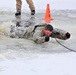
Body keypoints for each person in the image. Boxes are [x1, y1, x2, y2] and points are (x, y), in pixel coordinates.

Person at [0, 22, 70, 44]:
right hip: (20, 33)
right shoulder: (39, 30)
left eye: (49, 33)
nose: (49, 34)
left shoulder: (49, 29)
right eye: (47, 33)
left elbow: (58, 31)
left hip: (26, 29)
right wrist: (45, 38)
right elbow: (35, 39)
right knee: (7, 33)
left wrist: (66, 34)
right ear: (44, 30)